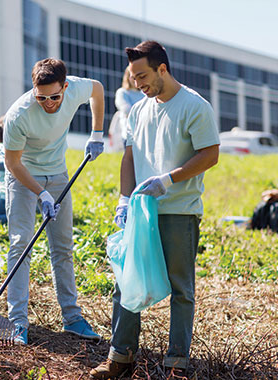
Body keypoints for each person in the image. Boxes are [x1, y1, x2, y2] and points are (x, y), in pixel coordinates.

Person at [90, 41, 220, 379]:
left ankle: (176, 364)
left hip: (179, 210)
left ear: (163, 69)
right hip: (141, 210)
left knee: (181, 290)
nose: (138, 84)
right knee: (126, 283)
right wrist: (123, 200)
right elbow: (129, 157)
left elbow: (210, 154)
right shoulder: (137, 110)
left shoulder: (194, 106)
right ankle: (120, 358)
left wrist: (168, 179)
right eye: (134, 78)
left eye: (143, 76)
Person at [3, 58, 105, 345]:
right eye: (41, 97)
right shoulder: (19, 114)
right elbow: (12, 163)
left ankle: (72, 318)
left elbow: (98, 89)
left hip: (58, 173)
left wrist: (97, 133)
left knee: (62, 246)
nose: (48, 102)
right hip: (23, 176)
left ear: (66, 87)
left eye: (54, 96)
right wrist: (41, 193)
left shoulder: (76, 90)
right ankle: (17, 323)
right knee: (20, 242)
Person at [109, 67, 144, 149]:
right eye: (132, 76)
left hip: (144, 136)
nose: (135, 79)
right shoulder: (122, 92)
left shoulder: (144, 95)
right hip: (129, 136)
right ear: (127, 77)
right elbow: (127, 111)